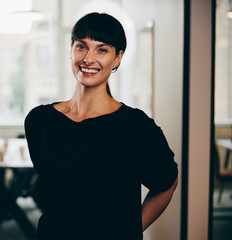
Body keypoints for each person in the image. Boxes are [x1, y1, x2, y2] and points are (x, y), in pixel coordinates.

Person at [24, 12, 178, 240]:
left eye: (102, 50)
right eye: (81, 46)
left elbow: (167, 182)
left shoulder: (135, 126)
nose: (88, 58)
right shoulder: (40, 120)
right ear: (71, 50)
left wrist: (130, 231)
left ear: (117, 58)